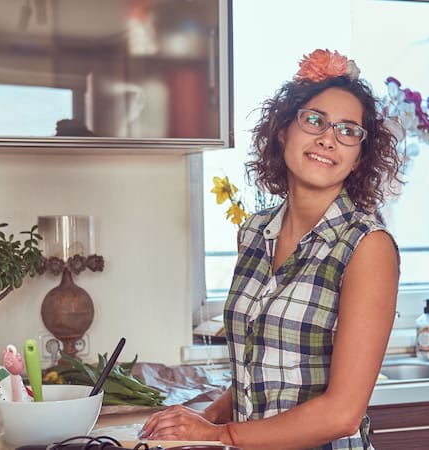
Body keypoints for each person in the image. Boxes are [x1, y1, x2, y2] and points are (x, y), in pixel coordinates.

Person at [140, 49, 403, 450]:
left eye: (348, 131)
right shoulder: (254, 232)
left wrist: (218, 434)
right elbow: (261, 369)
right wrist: (205, 417)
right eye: (314, 120)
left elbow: (343, 412)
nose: (328, 139)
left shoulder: (367, 246)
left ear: (359, 156)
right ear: (283, 130)